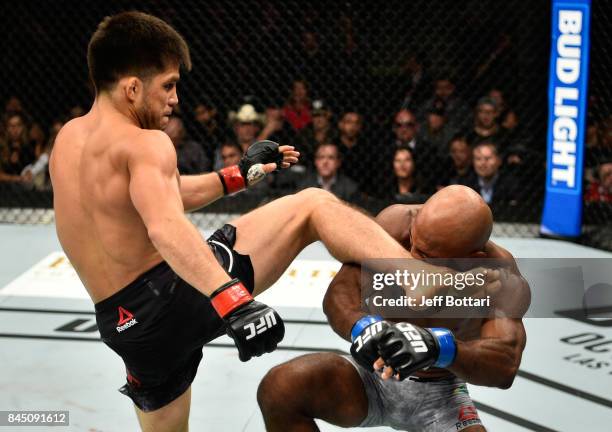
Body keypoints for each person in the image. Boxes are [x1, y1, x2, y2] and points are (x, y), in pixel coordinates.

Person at [49, 12, 482, 432]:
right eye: (168, 86)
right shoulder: (146, 144)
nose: (175, 99)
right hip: (173, 300)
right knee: (312, 204)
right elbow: (165, 226)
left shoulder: (69, 139)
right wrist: (234, 300)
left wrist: (236, 176)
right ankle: (422, 279)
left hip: (127, 330)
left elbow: (162, 194)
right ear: (131, 88)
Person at [257, 185, 529, 432]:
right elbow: (341, 292)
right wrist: (364, 327)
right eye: (412, 242)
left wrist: (438, 346)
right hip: (373, 374)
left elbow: (504, 365)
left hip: (442, 393)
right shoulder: (395, 226)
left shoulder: (499, 276)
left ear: (472, 258)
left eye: (425, 256)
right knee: (281, 388)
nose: (410, 258)